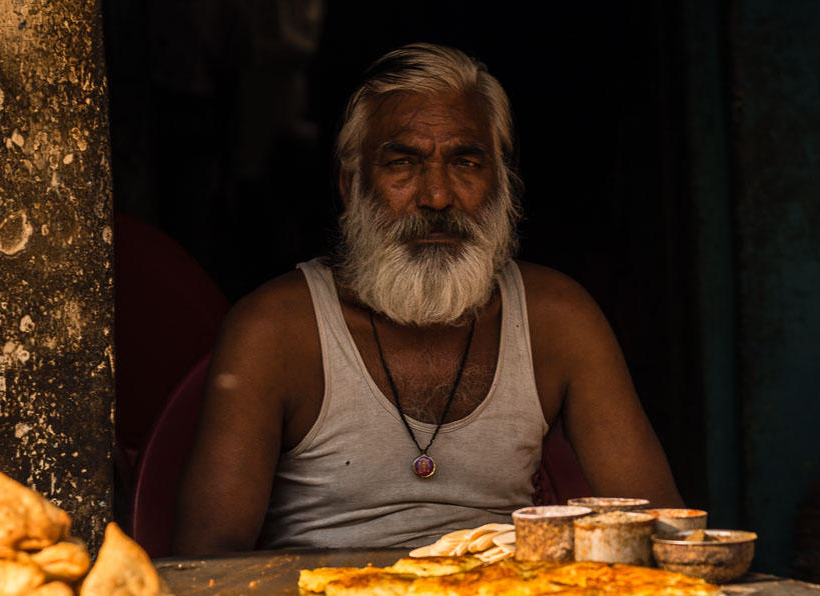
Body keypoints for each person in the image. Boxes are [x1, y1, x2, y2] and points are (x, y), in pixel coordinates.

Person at [174, 43, 681, 554]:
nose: (437, 196)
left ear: (501, 184)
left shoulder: (558, 319)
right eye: (403, 163)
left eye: (466, 163)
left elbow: (664, 533)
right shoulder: (277, 329)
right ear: (352, 186)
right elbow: (205, 564)